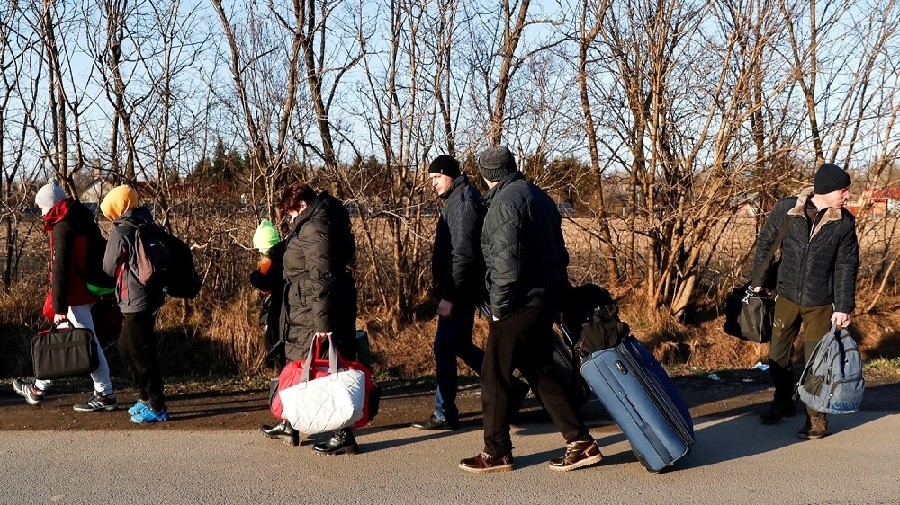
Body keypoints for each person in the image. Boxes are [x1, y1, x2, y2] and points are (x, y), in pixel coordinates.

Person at [459, 146, 602, 474]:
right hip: (545, 300)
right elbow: (559, 254)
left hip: (518, 305)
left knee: (494, 375)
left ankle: (496, 452)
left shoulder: (504, 205)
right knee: (540, 371)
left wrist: (498, 307)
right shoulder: (538, 196)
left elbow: (506, 265)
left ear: (487, 175)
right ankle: (580, 442)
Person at [751, 163, 859, 440]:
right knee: (777, 354)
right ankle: (784, 402)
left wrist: (843, 306)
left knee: (816, 361)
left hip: (821, 302)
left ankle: (816, 418)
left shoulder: (844, 222)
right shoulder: (788, 209)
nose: (847, 196)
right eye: (843, 191)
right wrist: (758, 281)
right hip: (785, 295)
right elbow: (766, 242)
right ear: (826, 190)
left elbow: (847, 265)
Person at [13, 180, 119, 412]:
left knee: (87, 344)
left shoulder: (63, 227)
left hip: (75, 294)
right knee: (68, 340)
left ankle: (105, 393)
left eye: (41, 208)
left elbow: (60, 269)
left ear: (51, 206)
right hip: (85, 290)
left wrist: (60, 307)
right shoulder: (81, 219)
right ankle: (38, 388)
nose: (41, 213)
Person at [276, 182, 359, 455]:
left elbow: (321, 275)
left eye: (290, 213)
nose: (290, 219)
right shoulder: (319, 220)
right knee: (305, 366)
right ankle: (292, 421)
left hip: (317, 310)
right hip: (308, 307)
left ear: (300, 205)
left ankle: (342, 434)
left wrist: (324, 325)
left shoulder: (315, 226)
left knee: (329, 370)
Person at [411, 155, 489, 431]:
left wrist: (450, 296)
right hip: (461, 289)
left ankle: (444, 413)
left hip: (460, 291)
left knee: (444, 347)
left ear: (450, 175)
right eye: (430, 179)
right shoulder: (457, 199)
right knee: (460, 345)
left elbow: (464, 254)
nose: (433, 184)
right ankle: (511, 388)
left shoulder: (462, 203)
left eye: (436, 178)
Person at [100, 185, 170, 424]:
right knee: (128, 348)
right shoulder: (146, 222)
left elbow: (108, 268)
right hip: (150, 296)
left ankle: (157, 405)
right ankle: (145, 398)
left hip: (135, 300)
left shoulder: (120, 231)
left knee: (139, 353)